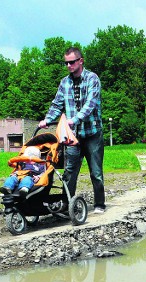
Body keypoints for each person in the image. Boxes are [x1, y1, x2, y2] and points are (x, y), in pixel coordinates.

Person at [39, 47, 106, 214]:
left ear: (80, 61)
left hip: (92, 134)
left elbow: (90, 105)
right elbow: (57, 104)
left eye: (72, 62)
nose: (68, 65)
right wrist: (47, 119)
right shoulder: (65, 82)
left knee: (96, 172)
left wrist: (73, 119)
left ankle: (99, 204)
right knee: (70, 171)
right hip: (73, 136)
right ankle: (67, 205)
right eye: (66, 63)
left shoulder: (92, 79)